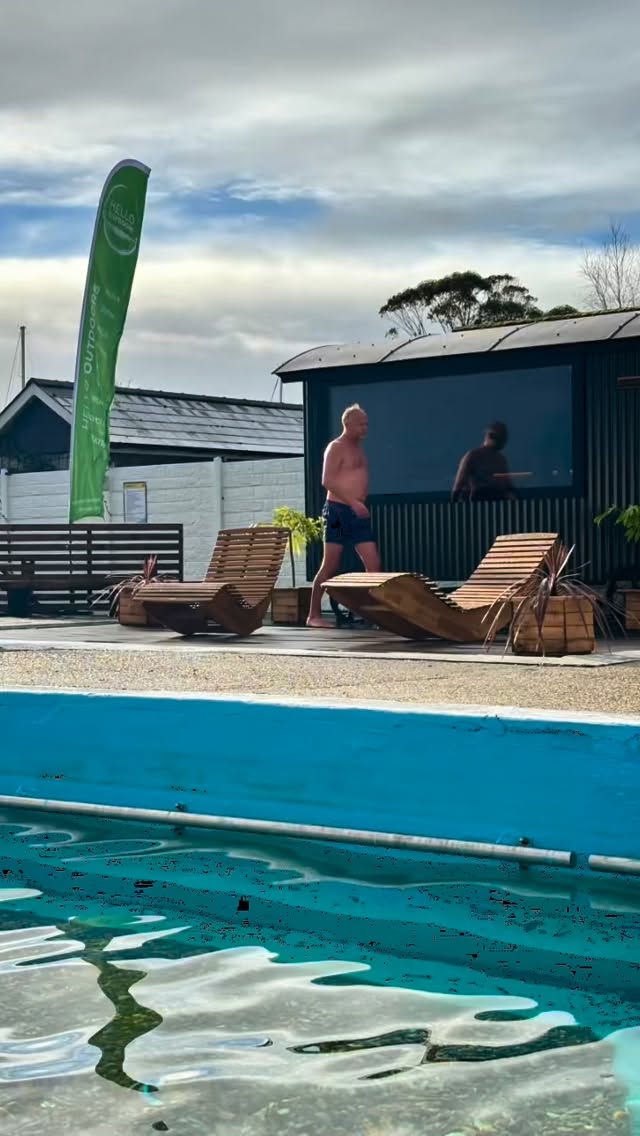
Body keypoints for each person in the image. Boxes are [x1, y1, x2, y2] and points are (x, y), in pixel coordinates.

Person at [306, 404, 381, 628]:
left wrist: (359, 503)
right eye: (361, 424)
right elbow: (327, 481)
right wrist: (353, 502)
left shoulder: (359, 449)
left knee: (374, 564)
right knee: (330, 564)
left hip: (357, 511)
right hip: (338, 510)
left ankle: (372, 614)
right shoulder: (336, 447)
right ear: (347, 424)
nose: (365, 428)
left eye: (367, 424)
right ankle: (314, 615)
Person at [451, 421, 516, 502]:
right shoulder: (473, 456)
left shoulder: (501, 459)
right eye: (501, 439)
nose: (503, 443)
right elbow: (460, 482)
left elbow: (507, 484)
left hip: (498, 502)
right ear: (491, 436)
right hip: (479, 502)